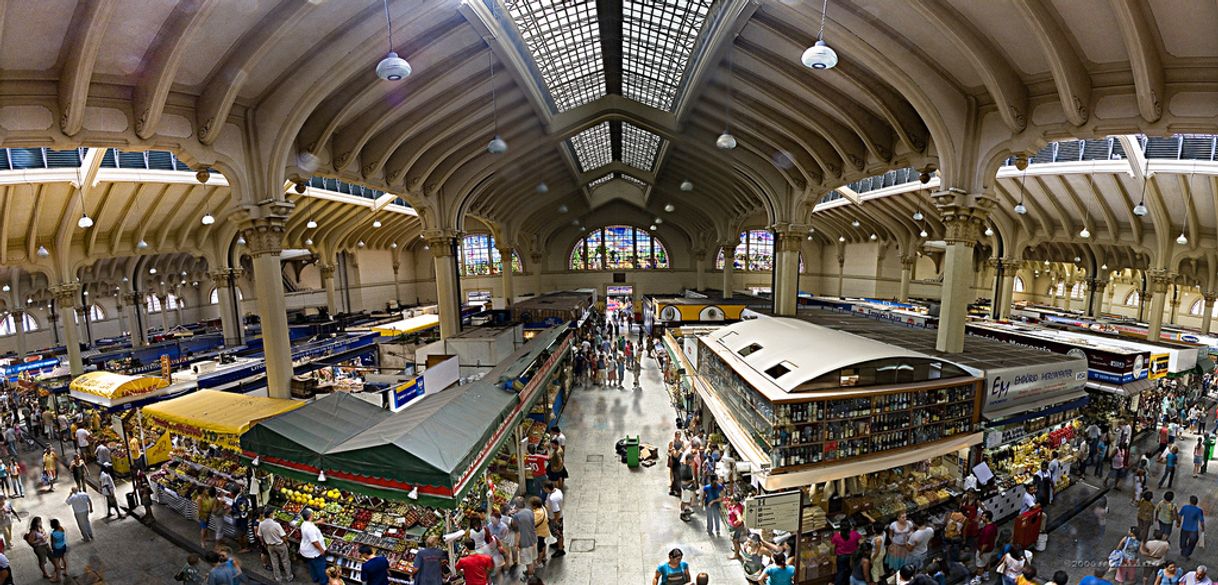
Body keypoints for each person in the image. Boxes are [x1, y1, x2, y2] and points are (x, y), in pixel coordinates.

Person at [256, 508, 291, 583]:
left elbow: (259, 535)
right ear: (270, 514)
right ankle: (289, 576)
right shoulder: (276, 525)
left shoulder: (261, 524)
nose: (274, 514)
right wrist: (287, 543)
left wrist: (264, 543)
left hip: (270, 546)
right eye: (273, 513)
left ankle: (278, 578)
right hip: (280, 545)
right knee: (285, 561)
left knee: (274, 562)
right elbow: (283, 536)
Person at [298, 507, 328, 585]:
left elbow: (310, 524)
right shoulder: (310, 528)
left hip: (306, 551)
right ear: (310, 516)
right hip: (314, 552)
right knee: (320, 567)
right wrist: (321, 550)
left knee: (312, 566)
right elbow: (314, 542)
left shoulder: (304, 523)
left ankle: (315, 579)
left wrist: (318, 522)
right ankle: (323, 582)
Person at [513, 498, 539, 581]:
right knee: (533, 557)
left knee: (528, 562)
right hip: (533, 539)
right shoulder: (529, 511)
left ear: (516, 506)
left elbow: (516, 530)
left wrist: (516, 544)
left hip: (525, 542)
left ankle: (530, 577)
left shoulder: (516, 516)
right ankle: (533, 571)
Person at [543, 480, 565, 557]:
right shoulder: (557, 491)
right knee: (557, 533)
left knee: (558, 533)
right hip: (556, 517)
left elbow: (556, 511)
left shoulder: (553, 498)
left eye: (544, 489)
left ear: (547, 488)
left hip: (555, 518)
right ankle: (559, 544)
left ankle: (560, 549)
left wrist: (555, 520)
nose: (544, 490)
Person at [976, 510, 998, 577]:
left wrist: (981, 553)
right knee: (987, 562)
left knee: (980, 565)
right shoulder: (994, 526)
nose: (981, 517)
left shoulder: (987, 530)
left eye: (983, 517)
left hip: (984, 550)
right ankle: (986, 575)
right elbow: (995, 535)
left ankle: (978, 579)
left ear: (987, 518)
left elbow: (985, 544)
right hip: (990, 549)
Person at [531, 496, 551, 567]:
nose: (531, 506)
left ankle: (539, 562)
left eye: (531, 505)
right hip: (545, 530)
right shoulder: (542, 508)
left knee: (540, 547)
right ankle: (544, 557)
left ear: (535, 505)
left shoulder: (537, 513)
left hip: (540, 533)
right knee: (543, 544)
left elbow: (533, 523)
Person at [49, 518, 68, 582]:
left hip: (57, 549)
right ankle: (65, 571)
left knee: (57, 563)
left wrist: (52, 548)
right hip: (63, 546)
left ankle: (58, 578)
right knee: (63, 558)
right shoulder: (62, 529)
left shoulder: (53, 534)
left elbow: (53, 542)